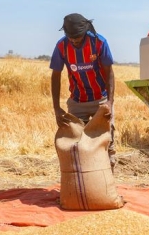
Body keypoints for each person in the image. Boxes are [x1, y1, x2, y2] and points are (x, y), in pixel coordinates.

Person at [50, 13, 117, 170]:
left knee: (106, 142)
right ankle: (79, 186)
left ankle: (106, 185)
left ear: (85, 31)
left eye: (78, 40)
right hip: (77, 101)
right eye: (71, 39)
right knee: (75, 144)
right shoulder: (62, 46)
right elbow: (55, 76)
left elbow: (110, 73)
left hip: (100, 99)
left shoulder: (99, 42)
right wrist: (56, 108)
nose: (74, 42)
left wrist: (109, 102)